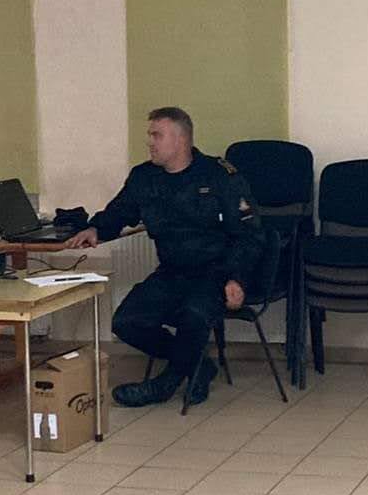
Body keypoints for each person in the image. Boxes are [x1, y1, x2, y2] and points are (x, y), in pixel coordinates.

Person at [67, 107, 263, 409]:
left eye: (156, 135)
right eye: (150, 135)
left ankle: (164, 385)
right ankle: (198, 366)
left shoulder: (220, 176)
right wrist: (96, 228)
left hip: (215, 272)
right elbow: (120, 211)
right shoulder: (144, 177)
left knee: (194, 315)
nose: (150, 142)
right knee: (126, 322)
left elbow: (249, 235)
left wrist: (237, 278)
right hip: (171, 272)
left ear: (180, 139)